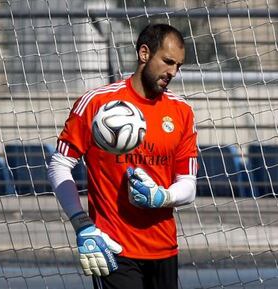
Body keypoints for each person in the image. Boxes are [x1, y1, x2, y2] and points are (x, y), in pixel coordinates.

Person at [48, 23, 198, 289]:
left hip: (164, 249)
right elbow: (59, 164)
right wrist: (82, 224)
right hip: (113, 248)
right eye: (167, 62)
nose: (173, 72)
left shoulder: (182, 112)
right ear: (144, 54)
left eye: (178, 66)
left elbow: (188, 185)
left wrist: (162, 196)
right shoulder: (96, 103)